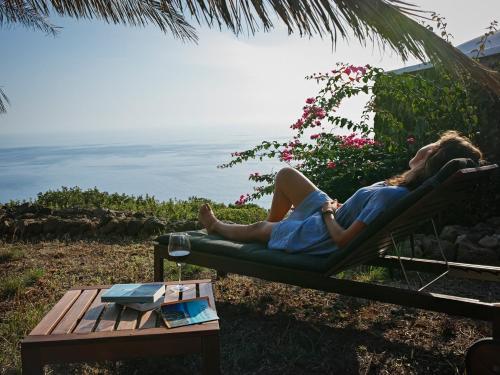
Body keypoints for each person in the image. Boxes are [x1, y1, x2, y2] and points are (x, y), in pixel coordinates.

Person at [198, 131, 483, 255]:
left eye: (432, 144)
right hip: (332, 214)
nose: (425, 145)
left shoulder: (391, 197)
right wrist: (335, 208)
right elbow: (362, 215)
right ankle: (272, 234)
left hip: (322, 233)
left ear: (431, 156)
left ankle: (220, 227)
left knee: (260, 226)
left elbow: (344, 241)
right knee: (286, 175)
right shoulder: (403, 190)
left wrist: (328, 213)